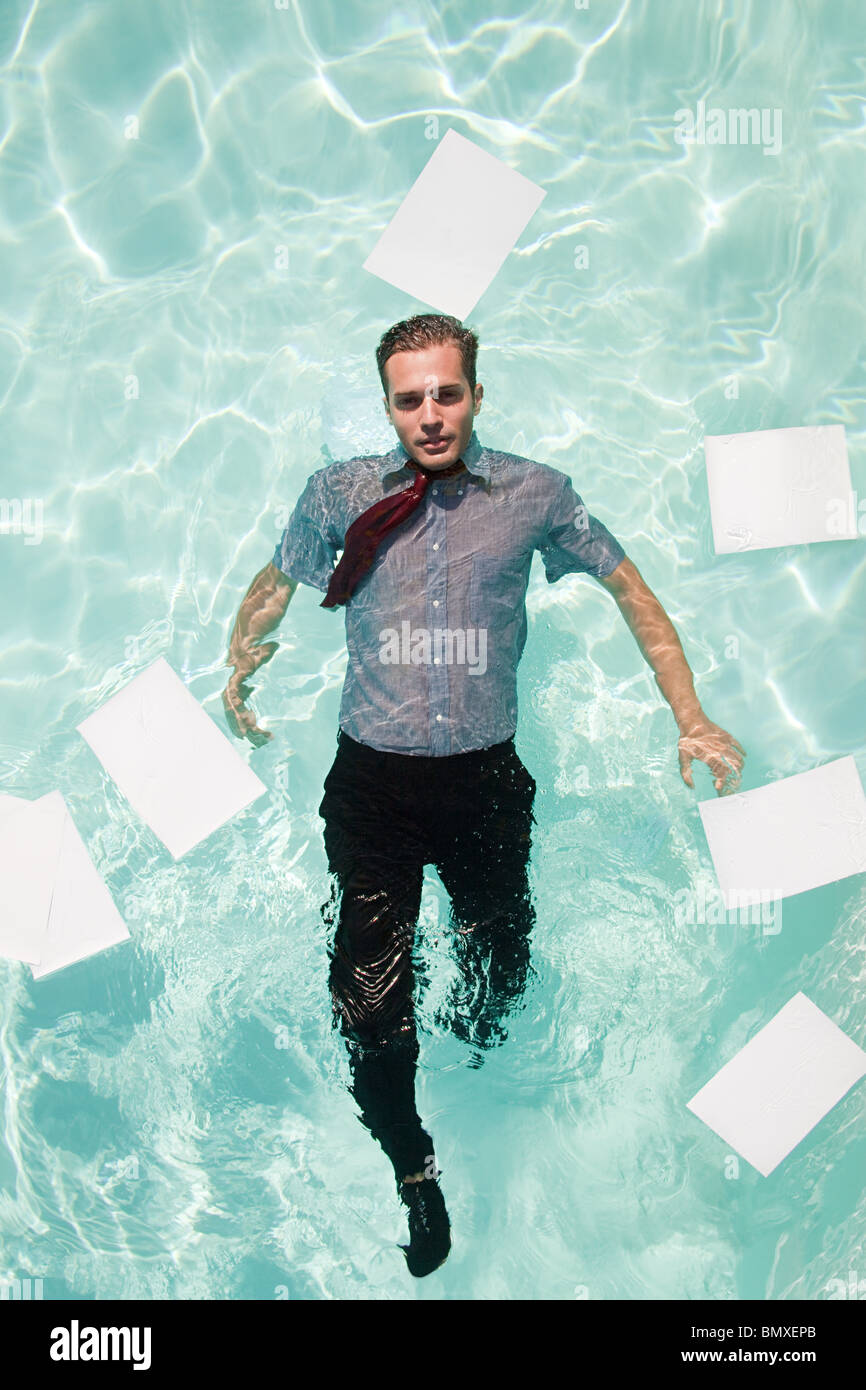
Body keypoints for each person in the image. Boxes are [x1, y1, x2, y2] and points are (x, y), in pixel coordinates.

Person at [222, 313, 746, 1278]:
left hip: (485, 787)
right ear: (387, 404)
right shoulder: (337, 494)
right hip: (373, 785)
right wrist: (238, 667)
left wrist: (692, 716)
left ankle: (478, 1035)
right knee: (367, 1000)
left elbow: (631, 588)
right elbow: (277, 580)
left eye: (447, 394)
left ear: (475, 392)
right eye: (409, 398)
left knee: (500, 959)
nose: (430, 415)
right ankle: (413, 1165)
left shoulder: (537, 495)